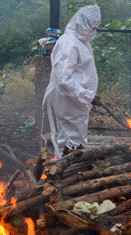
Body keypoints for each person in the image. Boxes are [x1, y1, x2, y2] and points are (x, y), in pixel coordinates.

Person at [42, 5, 101, 158]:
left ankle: (66, 171)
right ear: (81, 23)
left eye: (96, 27)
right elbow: (64, 79)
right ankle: (69, 173)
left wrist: (88, 94)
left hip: (75, 100)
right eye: (91, 26)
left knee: (72, 137)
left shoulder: (81, 42)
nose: (93, 31)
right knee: (72, 140)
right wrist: (87, 95)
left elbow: (81, 73)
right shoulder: (70, 43)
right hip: (69, 100)